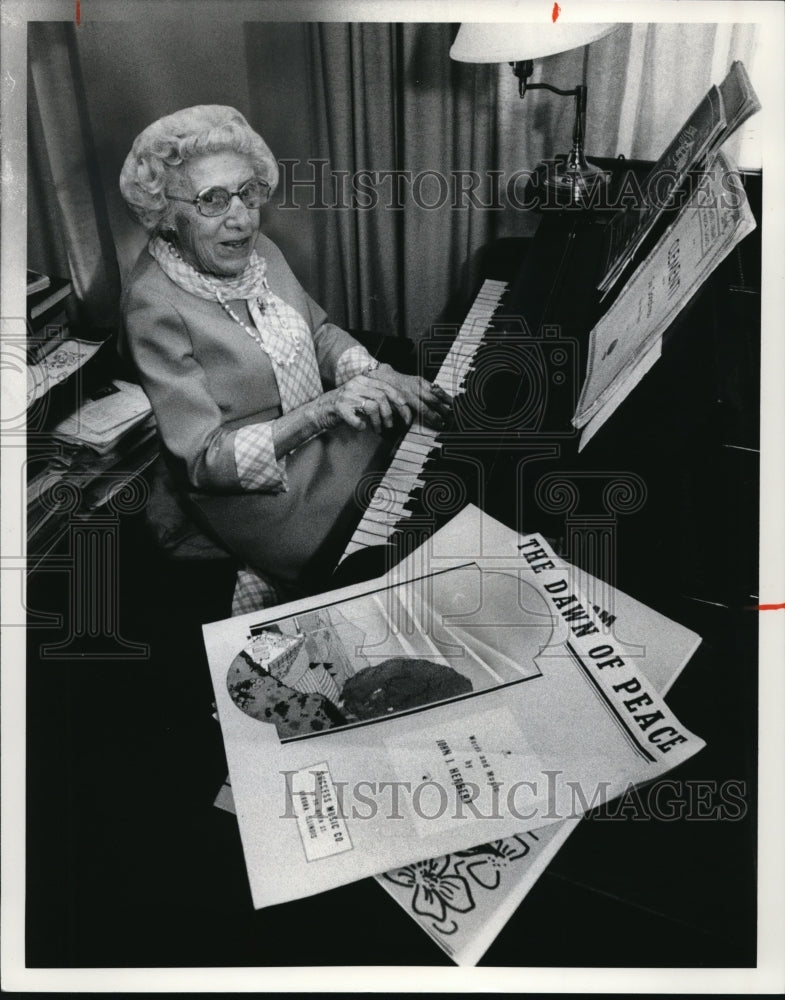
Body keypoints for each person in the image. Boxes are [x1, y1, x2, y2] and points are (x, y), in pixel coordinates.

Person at [119, 105, 449, 612]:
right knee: (398, 567)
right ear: (168, 213)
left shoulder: (259, 251)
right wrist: (324, 409)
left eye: (248, 192)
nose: (242, 217)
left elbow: (317, 333)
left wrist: (379, 375)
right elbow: (204, 460)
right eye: (212, 200)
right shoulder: (152, 305)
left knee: (437, 504)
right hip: (264, 499)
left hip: (336, 446)